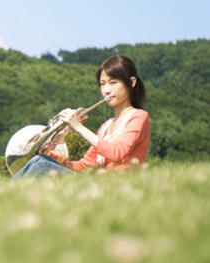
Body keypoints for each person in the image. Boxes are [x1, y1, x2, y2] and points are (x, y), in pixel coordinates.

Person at [14, 55, 151, 177]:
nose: (107, 90)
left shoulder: (139, 116)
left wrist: (78, 127)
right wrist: (56, 158)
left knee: (40, 165)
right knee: (40, 160)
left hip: (120, 185)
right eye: (102, 84)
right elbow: (85, 166)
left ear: (132, 82)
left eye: (113, 82)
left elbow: (116, 154)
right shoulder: (106, 127)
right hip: (98, 181)